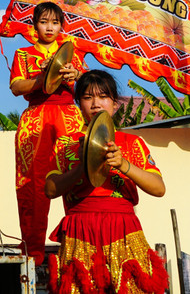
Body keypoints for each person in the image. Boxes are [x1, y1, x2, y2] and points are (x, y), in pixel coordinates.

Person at [45, 70, 167, 294]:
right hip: (80, 230)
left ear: (114, 104)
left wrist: (124, 165)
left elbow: (159, 189)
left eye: (103, 96)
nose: (95, 104)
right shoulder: (66, 144)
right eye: (87, 97)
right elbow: (50, 189)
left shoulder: (132, 143)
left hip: (123, 230)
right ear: (78, 104)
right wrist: (81, 168)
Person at [9, 1, 86, 267]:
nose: (49, 27)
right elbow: (16, 87)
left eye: (54, 22)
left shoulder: (73, 53)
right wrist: (43, 79)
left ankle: (80, 248)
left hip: (69, 116)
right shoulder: (23, 53)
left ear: (61, 25)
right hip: (36, 118)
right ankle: (33, 253)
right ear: (35, 25)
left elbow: (87, 88)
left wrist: (76, 75)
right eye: (44, 22)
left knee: (77, 176)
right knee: (32, 184)